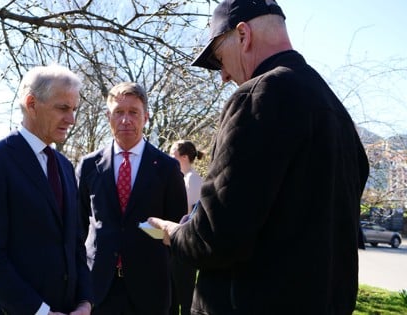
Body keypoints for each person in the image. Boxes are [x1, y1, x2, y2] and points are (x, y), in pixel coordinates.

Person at [148, 1, 369, 314]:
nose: (223, 75)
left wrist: (175, 233)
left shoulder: (261, 95)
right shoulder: (336, 111)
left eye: (219, 58)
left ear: (243, 35)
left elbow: (218, 235)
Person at [0, 64, 93, 315]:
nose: (72, 119)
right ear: (31, 103)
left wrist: (85, 302)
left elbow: (76, 245)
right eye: (63, 108)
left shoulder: (65, 167)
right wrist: (40, 312)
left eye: (74, 109)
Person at [76, 82, 187, 315]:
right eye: (118, 112)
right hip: (98, 289)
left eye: (133, 112)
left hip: (150, 290)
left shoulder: (167, 168)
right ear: (108, 116)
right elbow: (77, 228)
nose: (126, 120)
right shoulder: (88, 166)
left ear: (145, 117)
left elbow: (177, 231)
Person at [168, 140, 204, 315]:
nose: (168, 156)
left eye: (172, 152)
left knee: (185, 297)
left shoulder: (193, 180)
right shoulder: (182, 178)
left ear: (184, 157)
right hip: (174, 243)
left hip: (185, 245)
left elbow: (190, 216)